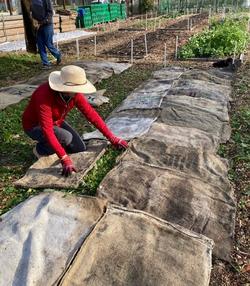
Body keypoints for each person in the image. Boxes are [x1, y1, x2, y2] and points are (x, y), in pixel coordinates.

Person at [22, 65, 128, 176]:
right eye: (76, 89)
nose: (79, 92)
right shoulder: (43, 95)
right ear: (65, 89)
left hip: (56, 122)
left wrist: (112, 138)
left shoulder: (74, 95)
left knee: (79, 148)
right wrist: (64, 158)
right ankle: (41, 149)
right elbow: (47, 130)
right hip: (35, 126)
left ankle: (56, 145)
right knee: (66, 137)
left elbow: (92, 115)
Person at [31, 0, 61, 69]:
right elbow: (32, 12)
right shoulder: (32, 1)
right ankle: (46, 64)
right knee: (40, 44)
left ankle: (58, 55)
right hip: (38, 25)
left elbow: (50, 13)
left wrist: (42, 22)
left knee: (48, 43)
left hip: (47, 25)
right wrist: (34, 22)